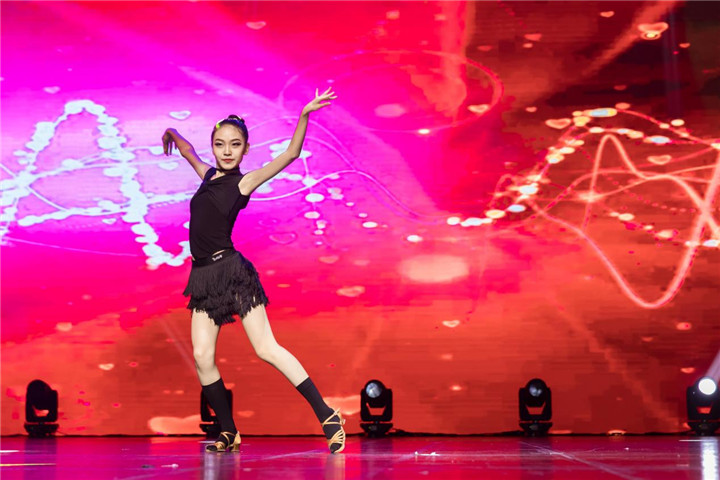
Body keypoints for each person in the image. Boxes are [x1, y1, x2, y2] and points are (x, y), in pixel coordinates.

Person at [161, 87, 345, 453]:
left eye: (235, 145)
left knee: (266, 348)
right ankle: (229, 431)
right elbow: (189, 152)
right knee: (202, 356)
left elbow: (290, 154)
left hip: (232, 272)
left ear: (246, 149)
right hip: (203, 278)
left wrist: (304, 115)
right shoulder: (207, 175)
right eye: (220, 144)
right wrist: (172, 132)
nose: (227, 151)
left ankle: (327, 415)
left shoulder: (243, 182)